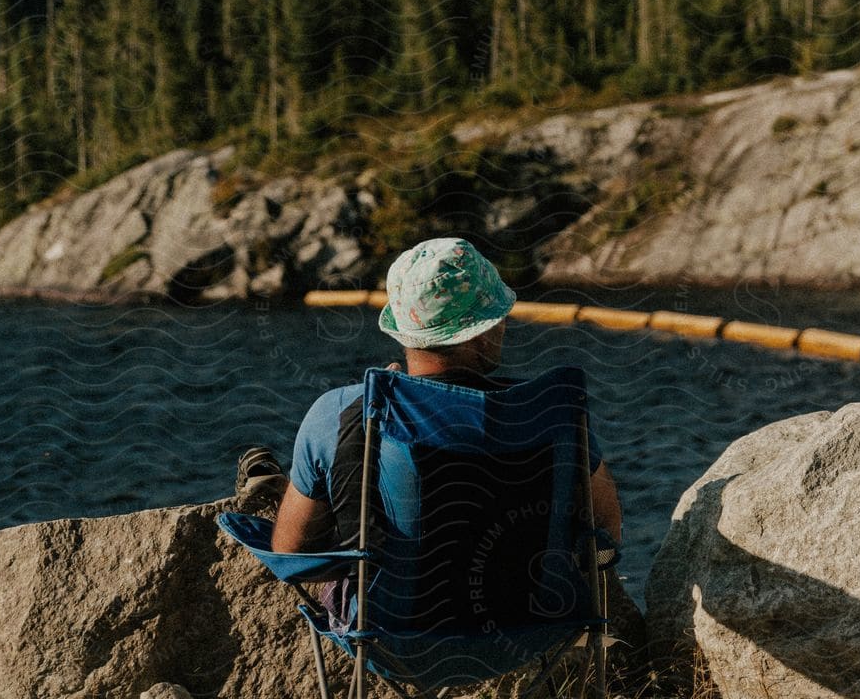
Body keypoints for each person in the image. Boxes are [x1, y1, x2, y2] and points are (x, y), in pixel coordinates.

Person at [237, 236, 622, 623]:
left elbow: (291, 554)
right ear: (480, 332)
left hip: (393, 635)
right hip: (531, 629)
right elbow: (605, 529)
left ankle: (283, 488)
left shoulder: (343, 410)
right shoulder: (546, 410)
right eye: (498, 316)